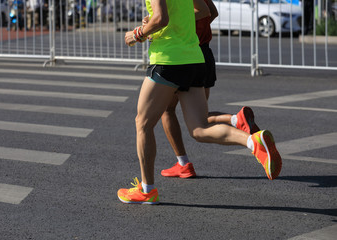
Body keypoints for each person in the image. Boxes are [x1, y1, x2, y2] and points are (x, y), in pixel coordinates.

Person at [117, 0, 282, 205]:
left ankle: (147, 190)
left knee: (143, 124)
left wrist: (138, 33)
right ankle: (253, 142)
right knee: (200, 128)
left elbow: (161, 18)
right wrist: (164, 24)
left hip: (169, 60)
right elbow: (204, 10)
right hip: (194, 58)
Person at [160, 0, 260, 178]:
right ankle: (236, 120)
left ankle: (183, 163)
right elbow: (212, 12)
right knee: (200, 114)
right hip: (205, 53)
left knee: (168, 110)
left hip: (186, 52)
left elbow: (202, 12)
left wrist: (183, 28)